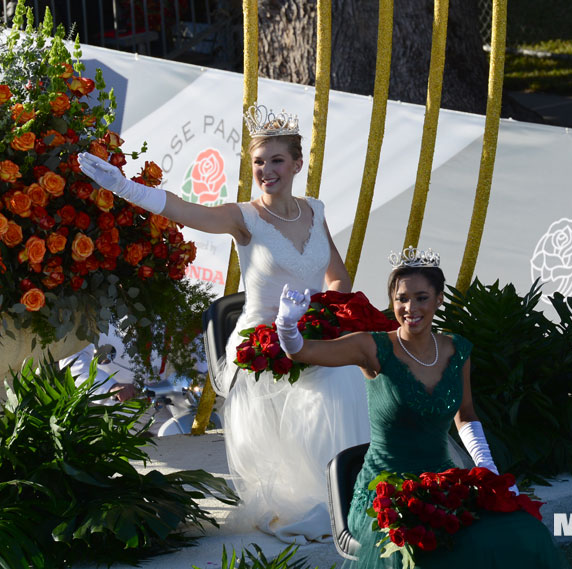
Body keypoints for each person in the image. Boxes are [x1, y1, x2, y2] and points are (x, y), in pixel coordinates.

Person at [78, 104, 369, 543]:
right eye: (258, 162)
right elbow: (183, 210)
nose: (266, 171)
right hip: (262, 344)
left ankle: (349, 494)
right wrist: (124, 188)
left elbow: (337, 276)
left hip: (311, 331)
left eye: (275, 160)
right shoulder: (244, 217)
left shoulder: (314, 210)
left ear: (296, 163)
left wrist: (325, 315)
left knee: (347, 371)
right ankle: (315, 499)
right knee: (322, 385)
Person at [274, 247, 562, 568]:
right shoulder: (371, 347)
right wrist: (287, 326)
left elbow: (465, 415)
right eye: (402, 298)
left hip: (444, 485)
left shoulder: (456, 349)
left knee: (522, 531)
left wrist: (487, 467)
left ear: (439, 299)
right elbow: (303, 352)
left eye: (421, 297)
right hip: (383, 493)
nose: (410, 308)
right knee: (421, 552)